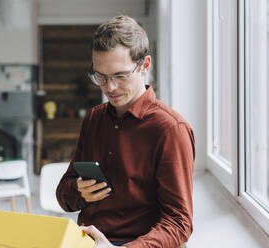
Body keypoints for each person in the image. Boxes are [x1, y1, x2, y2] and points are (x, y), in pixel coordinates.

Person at [56, 15, 195, 248]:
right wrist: (80, 192)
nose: (109, 87)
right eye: (100, 76)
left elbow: (180, 223)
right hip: (87, 242)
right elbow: (64, 197)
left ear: (145, 66)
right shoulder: (94, 119)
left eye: (120, 76)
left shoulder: (171, 129)